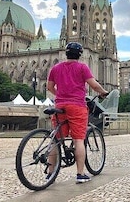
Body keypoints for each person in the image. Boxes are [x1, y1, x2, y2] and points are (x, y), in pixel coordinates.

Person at [47, 42, 109, 184]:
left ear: (66, 53)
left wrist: (60, 95)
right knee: (78, 139)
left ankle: (50, 173)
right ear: (80, 55)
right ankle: (80, 174)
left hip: (60, 105)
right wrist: (103, 92)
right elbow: (93, 84)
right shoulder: (82, 67)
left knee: (56, 139)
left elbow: (49, 87)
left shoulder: (56, 68)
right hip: (77, 106)